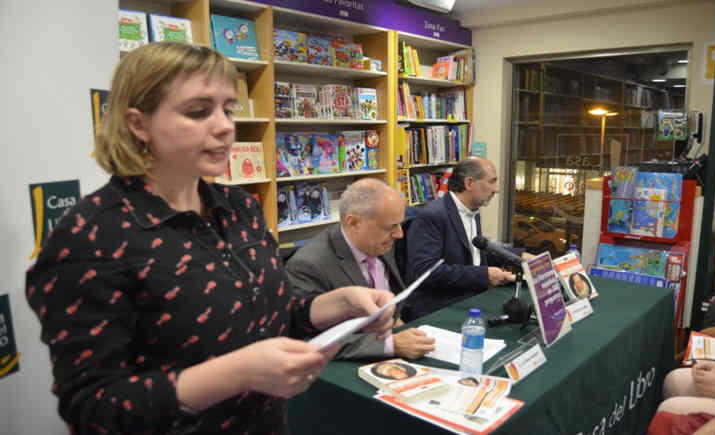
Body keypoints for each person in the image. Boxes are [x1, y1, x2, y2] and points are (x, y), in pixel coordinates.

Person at [24, 42, 394, 435]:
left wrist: (339, 304)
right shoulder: (92, 236)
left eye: (228, 109)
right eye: (198, 112)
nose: (224, 126)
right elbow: (91, 406)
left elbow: (272, 317)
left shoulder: (240, 208)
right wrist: (237, 373)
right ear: (138, 123)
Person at [286, 178, 435, 359]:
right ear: (354, 223)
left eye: (399, 224)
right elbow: (310, 341)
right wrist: (390, 345)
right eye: (391, 227)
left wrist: (396, 324)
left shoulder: (380, 242)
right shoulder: (308, 266)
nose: (400, 234)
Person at [404, 157, 532, 320]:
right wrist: (484, 275)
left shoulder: (473, 211)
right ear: (469, 183)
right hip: (439, 308)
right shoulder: (432, 216)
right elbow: (425, 271)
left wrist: (520, 256)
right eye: (492, 182)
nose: (496, 189)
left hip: (471, 298)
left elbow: (479, 252)